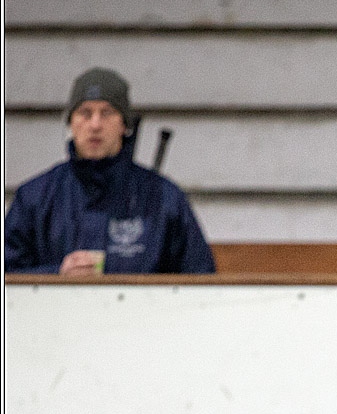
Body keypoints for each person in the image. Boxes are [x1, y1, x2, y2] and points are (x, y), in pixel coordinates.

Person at [4, 67, 215, 275]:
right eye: (85, 113)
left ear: (124, 124)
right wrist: (57, 275)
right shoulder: (34, 198)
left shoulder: (163, 198)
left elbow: (199, 279)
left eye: (107, 113)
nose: (95, 125)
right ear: (71, 123)